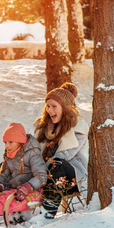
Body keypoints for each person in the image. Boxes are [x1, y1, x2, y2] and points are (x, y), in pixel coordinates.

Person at [34, 82, 89, 219]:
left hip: (70, 173)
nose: (49, 110)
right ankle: (17, 210)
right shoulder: (44, 127)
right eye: (48, 106)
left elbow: (66, 154)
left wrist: (43, 168)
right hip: (46, 170)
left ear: (64, 108)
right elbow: (35, 149)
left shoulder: (77, 126)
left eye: (54, 106)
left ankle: (47, 213)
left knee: (56, 165)